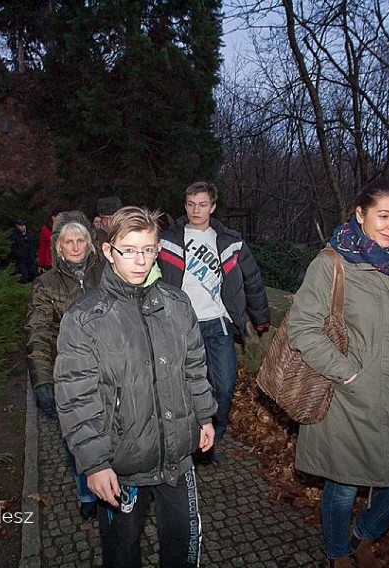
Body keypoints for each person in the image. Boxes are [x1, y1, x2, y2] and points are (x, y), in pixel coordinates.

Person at [54, 206, 217, 568]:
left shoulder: (177, 304)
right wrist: (94, 463)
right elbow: (75, 395)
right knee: (122, 553)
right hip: (122, 464)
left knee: (182, 548)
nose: (140, 260)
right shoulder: (85, 317)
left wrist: (204, 417)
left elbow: (194, 366)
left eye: (149, 249)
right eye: (129, 249)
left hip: (177, 457)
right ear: (109, 252)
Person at [288, 179, 389, 568]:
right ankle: (337, 551)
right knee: (344, 483)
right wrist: (348, 373)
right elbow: (303, 328)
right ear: (360, 213)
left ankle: (363, 532)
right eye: (384, 215)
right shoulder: (331, 264)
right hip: (348, 399)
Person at [157, 181, 271, 465]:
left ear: (213, 206)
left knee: (223, 385)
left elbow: (253, 280)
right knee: (183, 388)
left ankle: (212, 439)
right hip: (182, 325)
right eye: (191, 204)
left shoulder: (230, 241)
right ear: (185, 205)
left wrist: (261, 318)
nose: (196, 210)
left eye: (203, 204)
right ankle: (188, 443)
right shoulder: (168, 240)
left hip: (218, 323)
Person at [26, 211, 103, 520]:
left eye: (80, 240)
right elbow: (38, 333)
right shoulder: (45, 285)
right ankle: (86, 491)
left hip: (108, 368)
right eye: (68, 241)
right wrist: (42, 381)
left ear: (90, 244)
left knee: (110, 431)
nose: (75, 246)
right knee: (78, 438)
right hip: (70, 374)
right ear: (58, 247)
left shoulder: (107, 273)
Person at [37, 206, 63, 273]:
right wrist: (41, 264)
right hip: (49, 262)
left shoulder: (64, 229)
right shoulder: (45, 229)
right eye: (56, 217)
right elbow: (42, 247)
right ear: (52, 217)